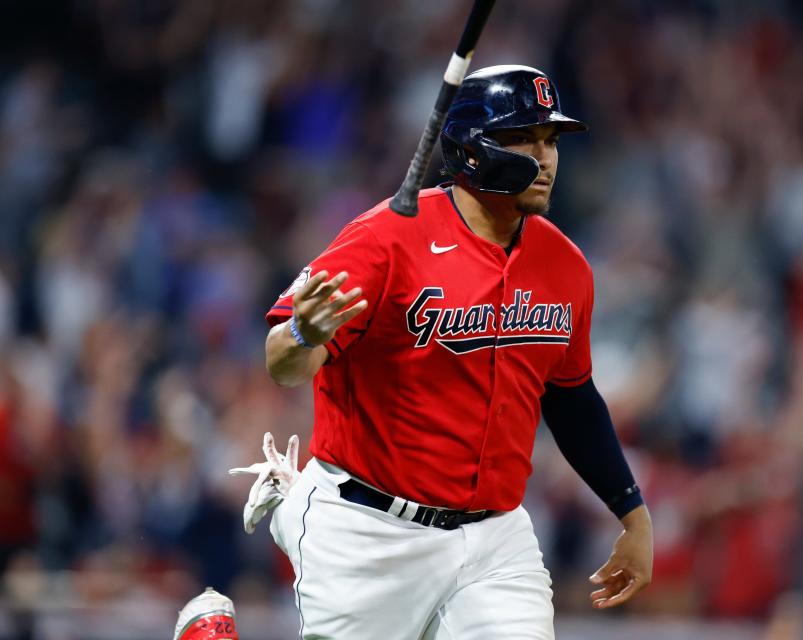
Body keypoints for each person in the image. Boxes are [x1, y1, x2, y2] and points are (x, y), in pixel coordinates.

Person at [233, 64, 653, 639]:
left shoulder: (566, 266)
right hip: (369, 528)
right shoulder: (384, 239)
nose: (546, 157)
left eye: (550, 140)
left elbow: (572, 396)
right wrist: (305, 334)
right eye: (523, 138)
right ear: (474, 150)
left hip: (494, 539)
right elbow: (282, 364)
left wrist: (632, 513)